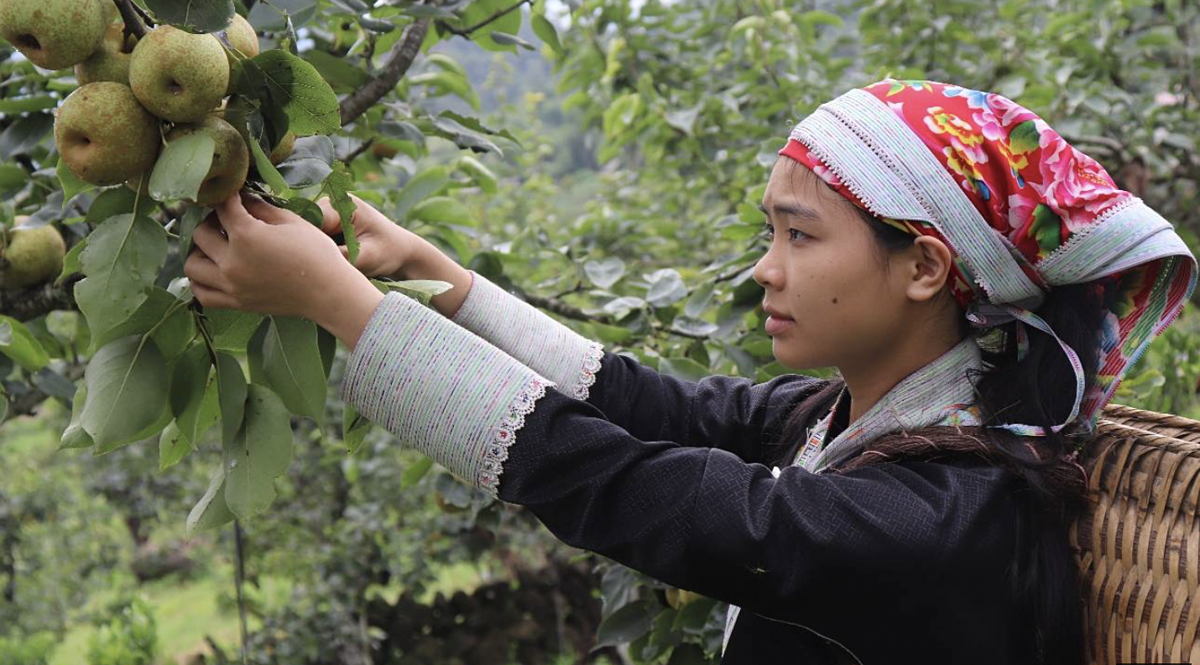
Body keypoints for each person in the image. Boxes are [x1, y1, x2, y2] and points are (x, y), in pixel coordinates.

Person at [184, 79, 1197, 665]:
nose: (767, 268)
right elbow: (642, 404)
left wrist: (340, 307)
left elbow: (632, 487)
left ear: (928, 266)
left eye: (799, 235)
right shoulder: (862, 418)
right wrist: (445, 282)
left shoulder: (931, 520)